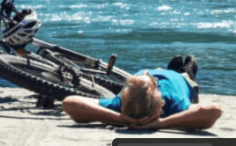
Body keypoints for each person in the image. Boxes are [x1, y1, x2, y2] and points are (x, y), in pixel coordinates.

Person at [62, 54, 223, 130]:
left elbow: (69, 102)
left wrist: (120, 117)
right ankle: (187, 70)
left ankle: (175, 68)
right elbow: (214, 110)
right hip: (176, 80)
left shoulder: (119, 104)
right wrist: (161, 123)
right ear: (160, 104)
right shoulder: (174, 101)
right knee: (187, 75)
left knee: (174, 71)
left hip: (155, 77)